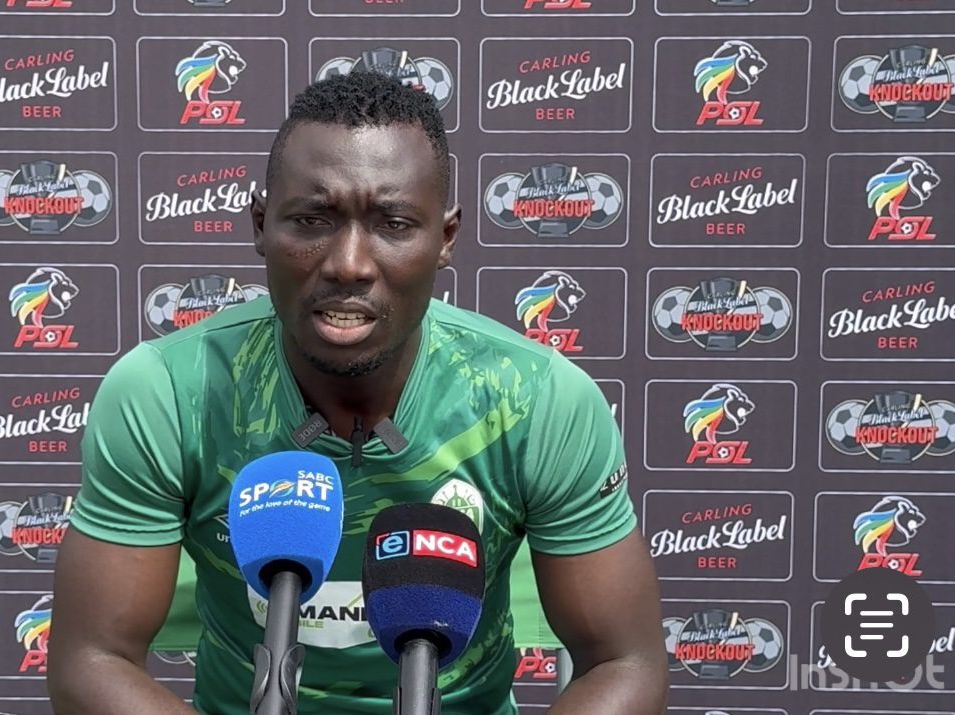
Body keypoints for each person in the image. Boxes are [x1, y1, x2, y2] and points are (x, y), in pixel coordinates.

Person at [49, 70, 668, 714]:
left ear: (445, 239)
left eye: (393, 223)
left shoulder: (535, 398)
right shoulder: (168, 392)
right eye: (312, 219)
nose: (348, 263)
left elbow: (624, 662)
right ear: (260, 225)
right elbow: (91, 660)